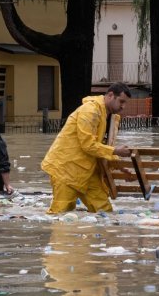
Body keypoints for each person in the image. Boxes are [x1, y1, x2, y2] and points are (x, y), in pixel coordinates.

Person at [42, 82, 132, 214]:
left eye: (125, 103)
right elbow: (88, 144)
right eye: (121, 101)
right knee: (61, 214)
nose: (123, 107)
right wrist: (115, 151)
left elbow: (100, 146)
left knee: (104, 211)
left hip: (88, 171)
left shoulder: (108, 116)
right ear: (111, 95)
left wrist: (118, 165)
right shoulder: (90, 110)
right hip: (66, 169)